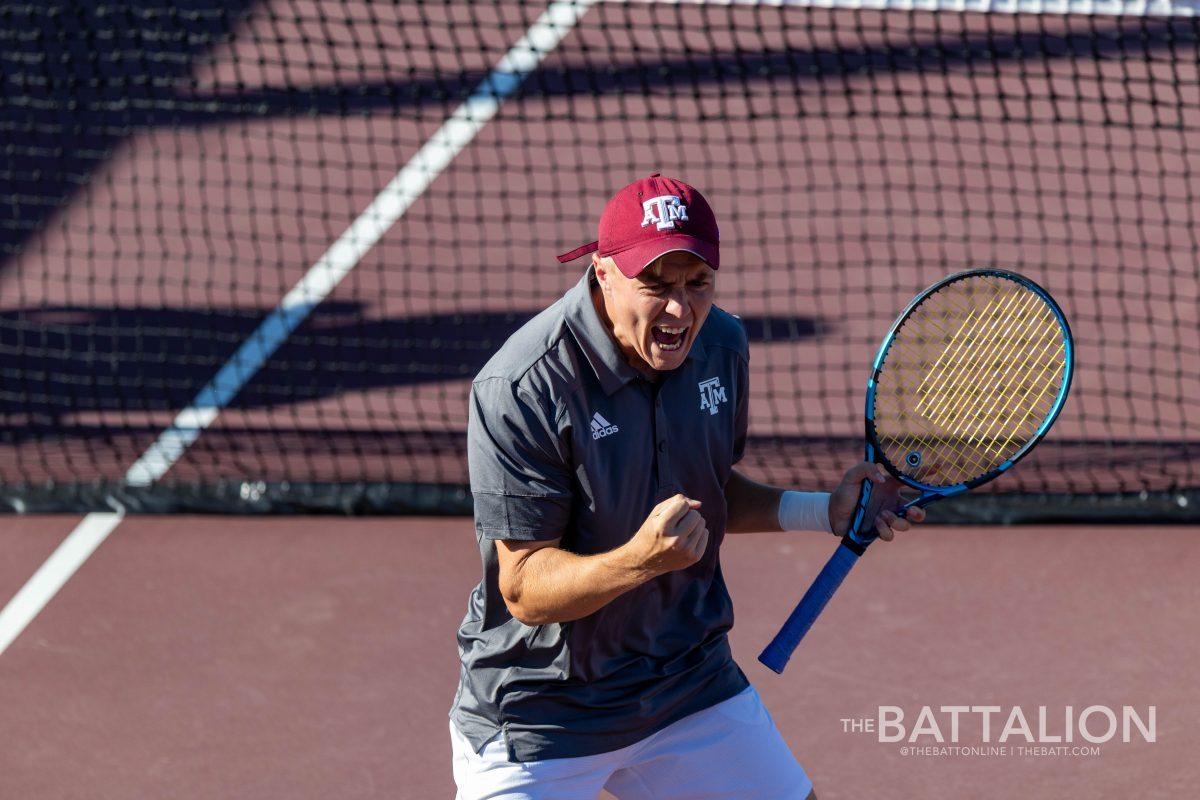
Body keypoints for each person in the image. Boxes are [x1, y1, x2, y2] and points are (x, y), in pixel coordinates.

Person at [450, 173, 924, 799]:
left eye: (697, 283)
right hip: (542, 713)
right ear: (604, 272)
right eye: (657, 283)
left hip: (685, 684)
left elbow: (707, 487)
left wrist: (823, 511)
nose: (680, 309)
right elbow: (525, 589)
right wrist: (639, 562)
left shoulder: (720, 344)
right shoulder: (524, 386)